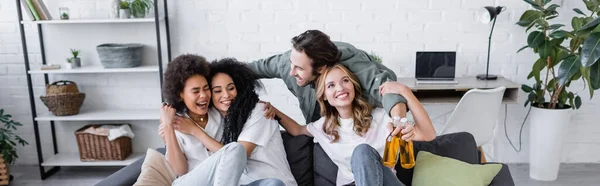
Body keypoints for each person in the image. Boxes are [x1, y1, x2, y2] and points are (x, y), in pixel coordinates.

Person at [248, 30, 436, 141]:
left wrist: (398, 123)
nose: (291, 71)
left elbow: (388, 90)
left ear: (321, 68)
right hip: (327, 134)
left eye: (298, 68)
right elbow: (299, 130)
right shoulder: (290, 63)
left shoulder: (354, 66)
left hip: (360, 134)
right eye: (291, 64)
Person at [272, 64, 436, 186]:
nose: (341, 88)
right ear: (325, 96)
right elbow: (297, 129)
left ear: (353, 86)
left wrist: (405, 92)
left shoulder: (381, 117)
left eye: (345, 81)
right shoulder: (324, 127)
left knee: (362, 151)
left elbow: (428, 134)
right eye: (331, 85)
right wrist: (272, 110)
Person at [158, 54, 285, 186]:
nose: (203, 95)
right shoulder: (175, 123)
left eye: (206, 88)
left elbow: (242, 106)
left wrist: (263, 106)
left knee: (274, 184)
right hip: (191, 182)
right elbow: (180, 170)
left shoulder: (219, 114)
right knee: (236, 149)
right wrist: (168, 128)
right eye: (195, 91)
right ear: (180, 95)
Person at [208, 58, 298, 186]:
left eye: (231, 88)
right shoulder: (216, 119)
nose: (226, 95)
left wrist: (194, 131)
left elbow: (238, 156)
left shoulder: (260, 111)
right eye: (217, 91)